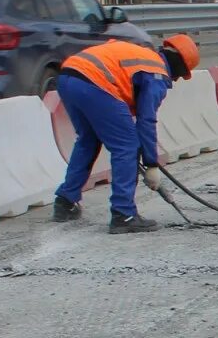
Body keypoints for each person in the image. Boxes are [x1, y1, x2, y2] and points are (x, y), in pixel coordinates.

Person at [50, 32, 202, 233]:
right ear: (180, 67)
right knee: (127, 146)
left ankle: (65, 202)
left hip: (68, 77)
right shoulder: (156, 72)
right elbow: (146, 120)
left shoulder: (144, 56)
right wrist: (151, 164)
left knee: (89, 139)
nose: (176, 80)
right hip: (95, 83)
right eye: (181, 75)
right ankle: (124, 213)